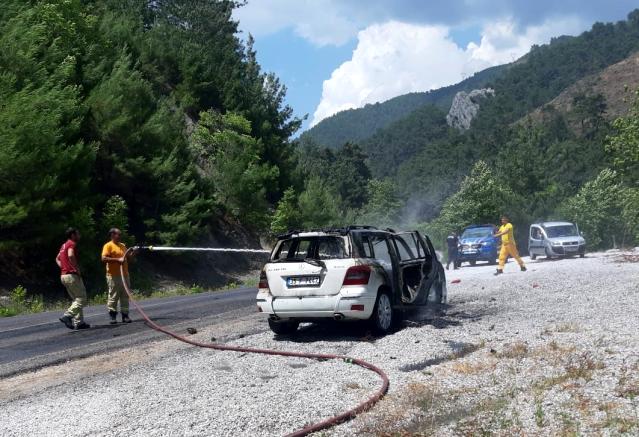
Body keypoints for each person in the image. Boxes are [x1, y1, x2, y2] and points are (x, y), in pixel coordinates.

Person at [56, 228, 90, 330]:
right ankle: (67, 316)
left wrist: (63, 268)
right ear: (72, 235)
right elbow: (71, 255)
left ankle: (79, 323)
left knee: (76, 299)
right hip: (71, 275)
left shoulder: (64, 245)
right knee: (82, 298)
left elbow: (57, 258)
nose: (79, 235)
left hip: (64, 276)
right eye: (78, 234)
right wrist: (76, 268)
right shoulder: (71, 243)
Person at [101, 228, 134, 324]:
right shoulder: (108, 246)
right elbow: (103, 258)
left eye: (120, 234)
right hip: (113, 275)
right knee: (114, 296)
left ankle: (125, 315)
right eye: (118, 235)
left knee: (125, 295)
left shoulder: (123, 245)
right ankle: (113, 316)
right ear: (112, 235)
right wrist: (117, 260)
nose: (120, 236)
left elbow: (129, 257)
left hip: (125, 275)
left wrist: (134, 253)